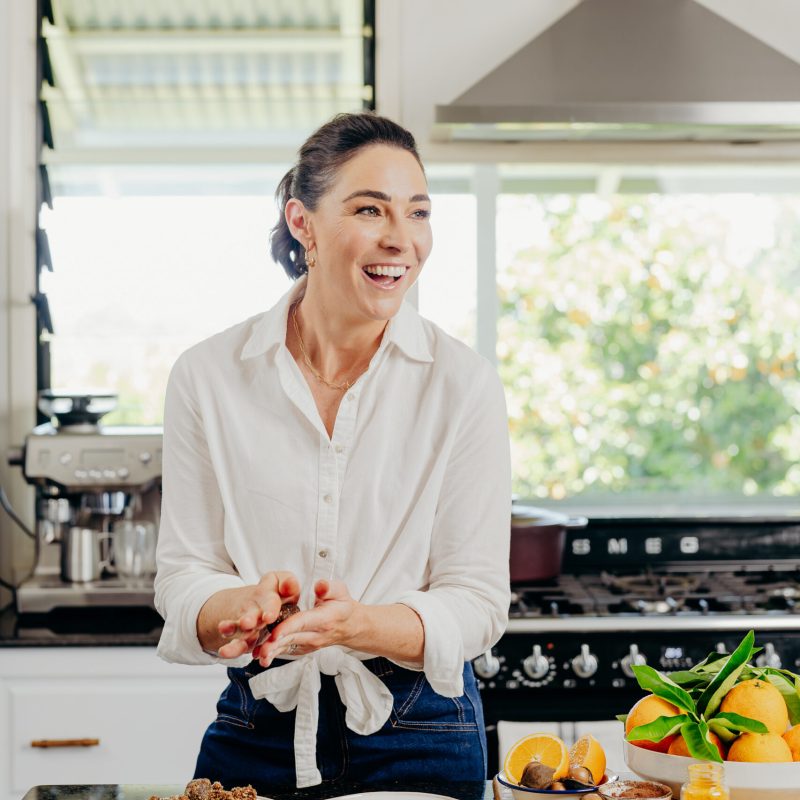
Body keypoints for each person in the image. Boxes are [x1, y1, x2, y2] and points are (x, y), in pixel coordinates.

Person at [154, 111, 511, 794]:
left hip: (422, 731)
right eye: (370, 209)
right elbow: (184, 575)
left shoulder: (462, 385)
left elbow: (477, 601)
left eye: (418, 213)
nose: (401, 239)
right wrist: (236, 604)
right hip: (259, 722)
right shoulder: (208, 376)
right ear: (303, 223)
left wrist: (363, 625)